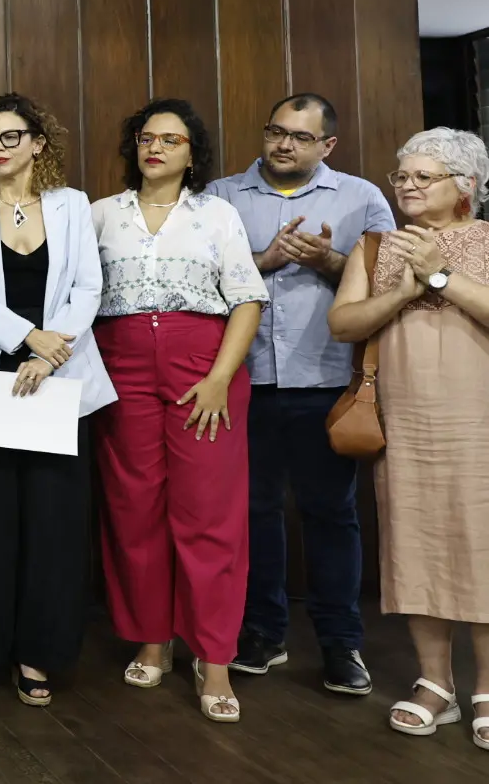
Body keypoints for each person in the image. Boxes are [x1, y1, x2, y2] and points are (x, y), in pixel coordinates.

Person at [0, 94, 116, 711]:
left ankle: (36, 653)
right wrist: (25, 337)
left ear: (40, 142)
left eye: (11, 137)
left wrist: (49, 351)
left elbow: (90, 286)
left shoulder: (72, 206)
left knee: (51, 529)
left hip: (57, 382)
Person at [207, 94, 392, 695]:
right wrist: (263, 260)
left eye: (300, 137)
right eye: (276, 132)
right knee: (253, 514)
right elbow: (198, 283)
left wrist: (332, 261)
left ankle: (342, 646)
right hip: (244, 379)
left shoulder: (361, 197)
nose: (284, 145)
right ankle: (263, 634)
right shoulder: (221, 197)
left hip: (325, 379)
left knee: (331, 515)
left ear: (327, 146)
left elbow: (388, 287)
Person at [91, 98, 266, 723]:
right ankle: (152, 639)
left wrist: (221, 376)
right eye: (145, 137)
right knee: (134, 507)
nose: (155, 147)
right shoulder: (99, 215)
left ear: (194, 153)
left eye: (171, 138)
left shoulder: (216, 213)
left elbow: (246, 298)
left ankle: (215, 658)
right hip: (122, 366)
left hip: (204, 369)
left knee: (209, 515)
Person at [328, 128, 489, 748]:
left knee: (480, 543)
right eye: (403, 177)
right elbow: (343, 323)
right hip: (407, 420)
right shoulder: (374, 247)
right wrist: (401, 289)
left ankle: (485, 690)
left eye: (424, 177)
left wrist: (442, 276)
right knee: (415, 542)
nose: (408, 187)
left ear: (465, 186)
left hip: (478, 421)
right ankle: (435, 685)